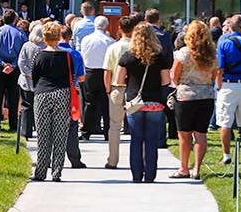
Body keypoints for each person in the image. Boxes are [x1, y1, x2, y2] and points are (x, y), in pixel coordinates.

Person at [115, 21, 172, 182]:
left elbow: (119, 80)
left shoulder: (128, 56)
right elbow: (166, 81)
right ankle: (150, 175)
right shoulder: (159, 56)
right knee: (151, 139)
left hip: (134, 101)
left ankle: (137, 175)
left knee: (136, 139)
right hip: (154, 101)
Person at [26, 22, 78, 182]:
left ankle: (41, 172)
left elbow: (34, 76)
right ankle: (56, 172)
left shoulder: (39, 56)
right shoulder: (67, 56)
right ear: (58, 37)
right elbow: (72, 75)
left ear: (45, 38)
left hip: (42, 94)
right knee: (60, 135)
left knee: (43, 136)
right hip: (62, 93)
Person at [171, 21, 220, 180]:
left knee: (184, 135)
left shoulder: (183, 53)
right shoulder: (212, 54)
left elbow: (174, 76)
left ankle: (184, 168)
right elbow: (213, 77)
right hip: (206, 96)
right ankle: (197, 168)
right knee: (201, 134)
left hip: (186, 96)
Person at [81, 15, 126, 169]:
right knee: (107, 103)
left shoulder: (86, 39)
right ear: (106, 26)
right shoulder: (110, 41)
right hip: (105, 71)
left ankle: (86, 131)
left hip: (90, 71)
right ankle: (107, 131)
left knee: (89, 102)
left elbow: (83, 55)